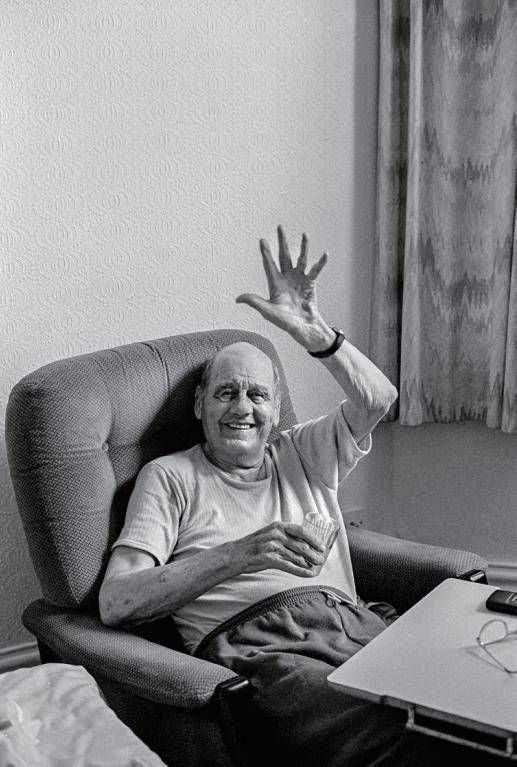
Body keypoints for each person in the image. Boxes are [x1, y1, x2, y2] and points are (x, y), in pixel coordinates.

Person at [98, 228, 497, 767]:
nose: (242, 407)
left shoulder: (301, 451)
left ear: (275, 407)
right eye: (225, 392)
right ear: (198, 405)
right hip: (261, 648)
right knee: (407, 726)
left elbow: (378, 398)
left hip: (353, 622)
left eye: (257, 394)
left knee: (476, 692)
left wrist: (315, 333)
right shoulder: (170, 477)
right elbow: (117, 602)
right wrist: (243, 553)